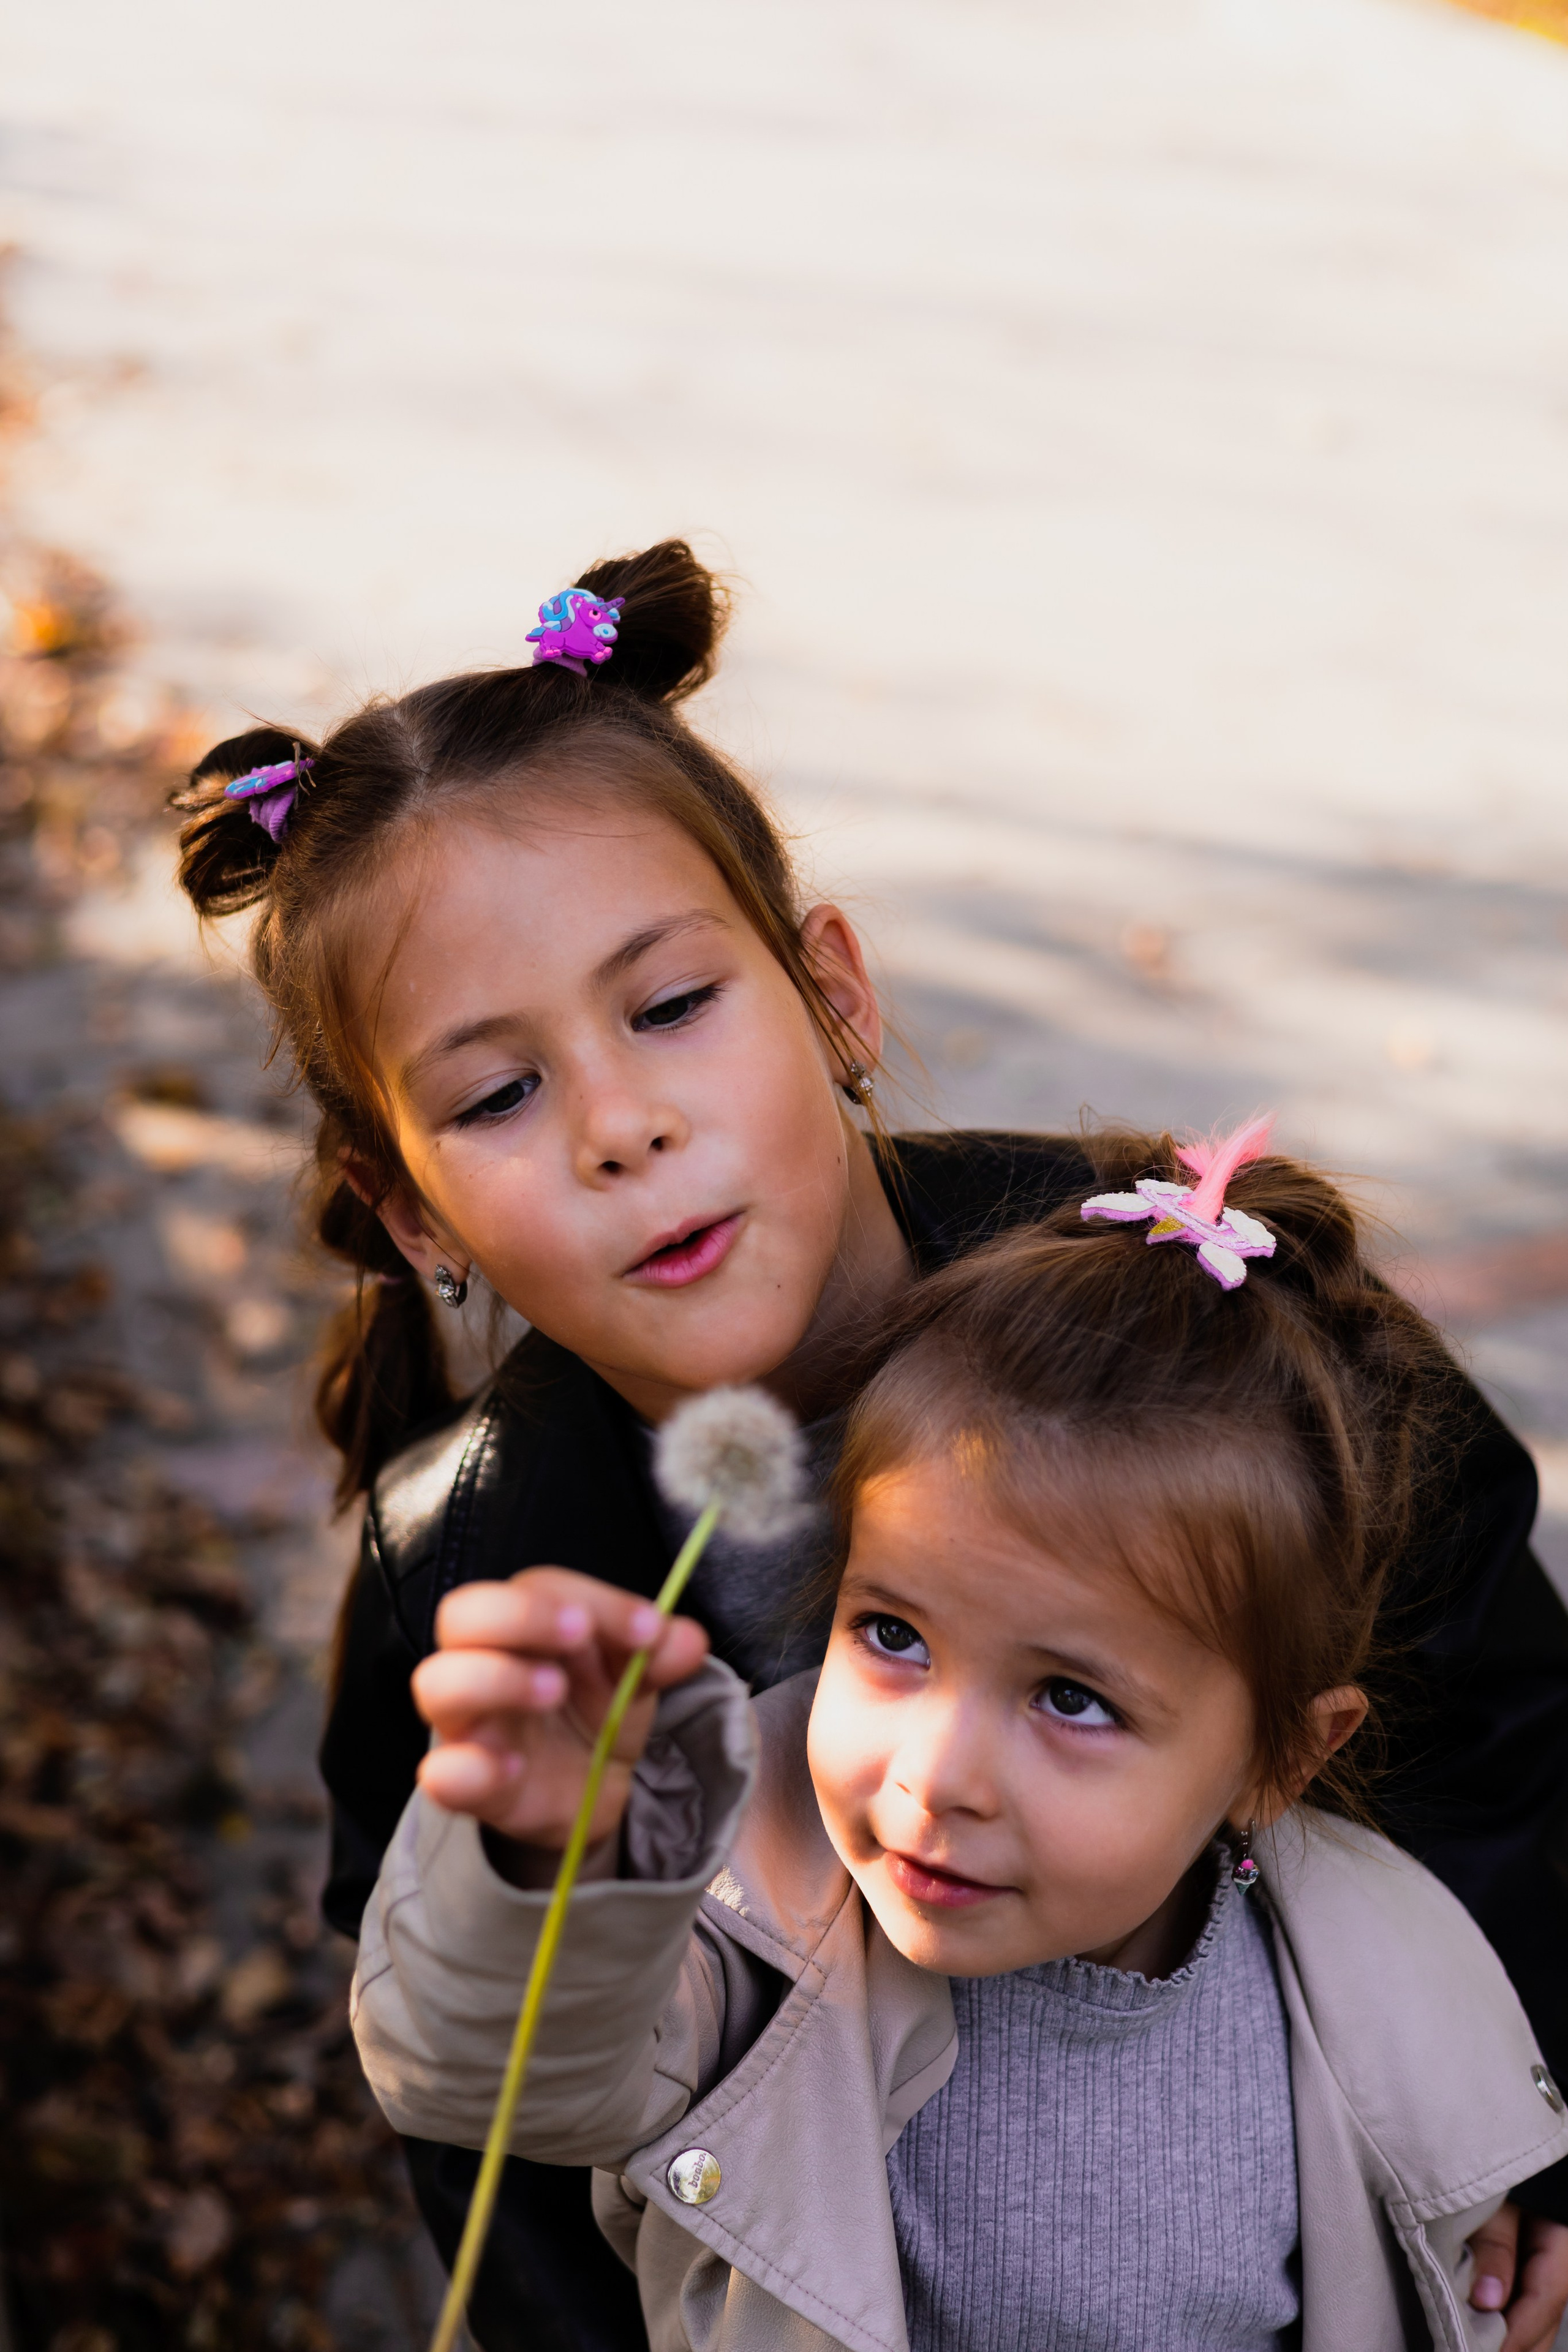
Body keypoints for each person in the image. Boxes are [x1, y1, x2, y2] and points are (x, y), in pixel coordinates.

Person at [170, 543, 1568, 2349]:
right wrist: (532, 1869)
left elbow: (1503, 1738)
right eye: (498, 1094)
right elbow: (487, 2142)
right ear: (413, 1212)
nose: (619, 1125)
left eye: (670, 1005)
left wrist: (1529, 2146)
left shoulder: (1189, 1316)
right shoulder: (481, 1574)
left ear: (832, 994)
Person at [350, 1133, 1568, 2351]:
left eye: (1071, 1700)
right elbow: (485, 2076)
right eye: (893, 1635)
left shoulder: (1401, 1991)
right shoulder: (738, 1912)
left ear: (1279, 1761)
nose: (932, 1776)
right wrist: (543, 1870)